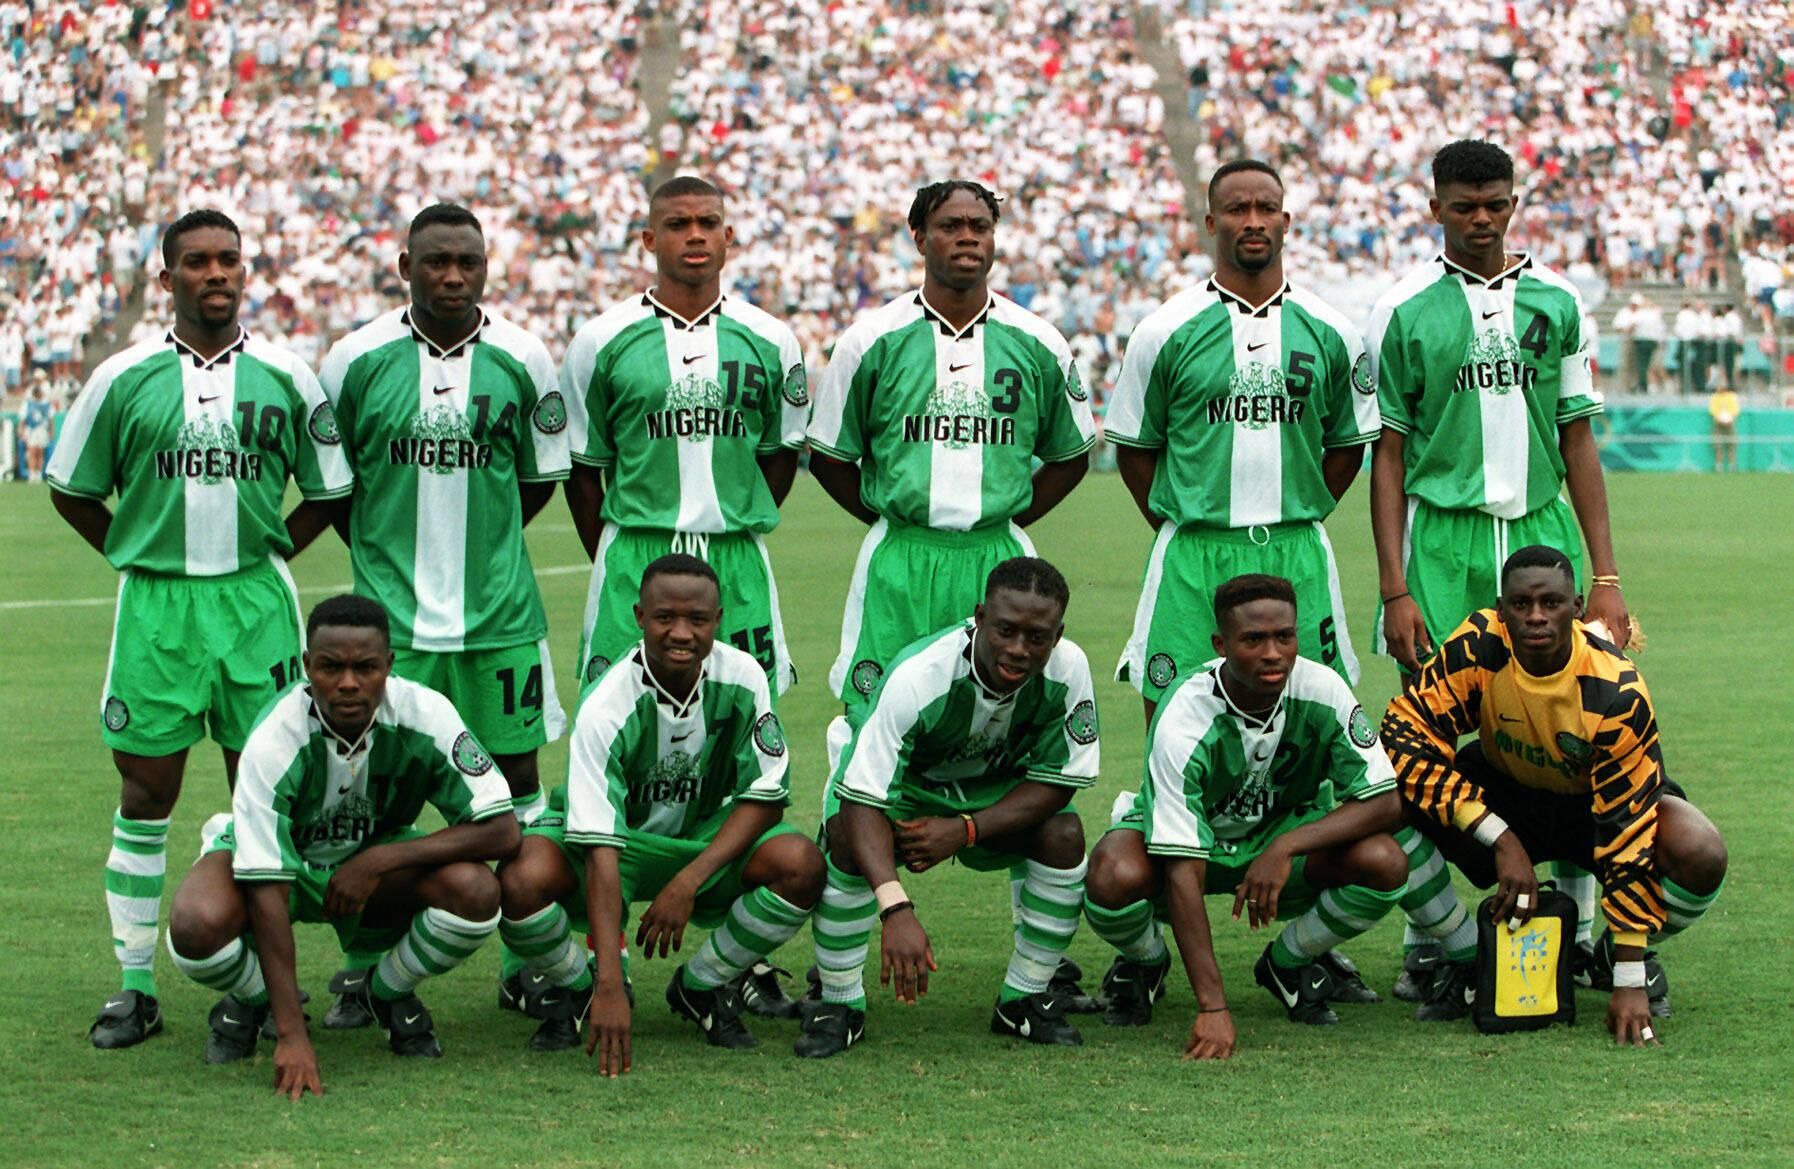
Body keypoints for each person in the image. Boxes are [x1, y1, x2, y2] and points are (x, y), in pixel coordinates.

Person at [47, 209, 352, 1049]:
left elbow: (331, 488)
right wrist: (132, 551)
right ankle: (135, 984)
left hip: (256, 605)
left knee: (263, 788)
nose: (215, 274)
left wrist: (273, 549)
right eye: (197, 262)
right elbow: (71, 486)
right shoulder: (124, 375)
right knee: (147, 791)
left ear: (245, 271)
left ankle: (251, 988)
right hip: (158, 608)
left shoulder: (287, 374)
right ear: (168, 277)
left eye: (228, 260)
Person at [1367, 140, 1631, 988]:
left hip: (1542, 532)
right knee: (1430, 743)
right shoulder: (1402, 309)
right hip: (1442, 539)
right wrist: (1395, 587)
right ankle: (1434, 945)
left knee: (1575, 730)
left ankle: (1583, 937)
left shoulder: (1557, 300)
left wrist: (1609, 577)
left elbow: (1578, 437)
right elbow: (1389, 455)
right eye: (1464, 205)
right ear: (1435, 206)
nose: (1481, 219)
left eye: (1496, 204)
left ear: (1514, 202)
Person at [318, 202, 571, 1025]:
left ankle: (523, 960)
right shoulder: (353, 360)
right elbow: (336, 486)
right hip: (390, 628)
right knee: (373, 795)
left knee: (517, 783)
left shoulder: (524, 357)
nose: (452, 276)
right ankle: (362, 969)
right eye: (435, 262)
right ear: (404, 266)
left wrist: (486, 551)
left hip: (498, 619)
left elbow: (535, 481)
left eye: (468, 261)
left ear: (487, 265)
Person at [163, 595, 520, 1096]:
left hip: (374, 864)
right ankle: (258, 999)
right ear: (307, 666)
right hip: (274, 860)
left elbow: (501, 829)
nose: (349, 683)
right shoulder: (273, 738)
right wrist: (291, 1035)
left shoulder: (426, 713)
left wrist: (379, 860)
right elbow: (267, 891)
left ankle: (381, 991)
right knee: (194, 925)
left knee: (477, 892)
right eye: (330, 667)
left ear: (388, 666)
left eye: (365, 667)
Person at [1382, 546, 1728, 1041]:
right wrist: (1498, 837)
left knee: (1699, 849)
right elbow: (1404, 730)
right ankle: (1469, 955)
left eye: (1552, 603)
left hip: (1594, 807)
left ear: (1579, 607)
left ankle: (1609, 959)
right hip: (1503, 794)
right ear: (1501, 611)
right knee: (1384, 799)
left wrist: (1629, 977)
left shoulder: (1616, 691)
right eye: (1521, 605)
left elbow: (1625, 831)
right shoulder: (1480, 645)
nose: (1537, 616)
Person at [494, 555, 824, 1070]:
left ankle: (702, 986)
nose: (681, 632)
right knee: (520, 878)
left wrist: (687, 880)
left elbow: (767, 794)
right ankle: (580, 991)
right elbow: (602, 846)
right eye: (665, 617)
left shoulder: (743, 676)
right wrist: (608, 985)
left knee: (800, 862)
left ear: (718, 620)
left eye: (697, 619)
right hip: (616, 846)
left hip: (699, 842)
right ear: (639, 617)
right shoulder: (606, 704)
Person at [1082, 575, 1405, 1055]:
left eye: (1284, 637)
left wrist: (1285, 846)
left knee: (1385, 861)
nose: (1273, 653)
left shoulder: (1323, 689)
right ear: (1221, 644)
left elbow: (1385, 801)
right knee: (1111, 873)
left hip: (1280, 837)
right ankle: (1146, 961)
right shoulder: (1185, 717)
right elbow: (1182, 870)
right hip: (1191, 848)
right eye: (1253, 639)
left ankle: (1288, 961)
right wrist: (1213, 1008)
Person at [1106, 159, 1378, 725]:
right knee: (1174, 717)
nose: (1253, 221)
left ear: (1286, 220)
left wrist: (1303, 505)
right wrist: (1177, 520)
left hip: (1295, 547)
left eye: (1265, 209)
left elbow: (1349, 445)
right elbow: (1135, 449)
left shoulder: (1331, 330)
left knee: (1312, 719)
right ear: (1211, 223)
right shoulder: (1164, 330)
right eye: (1237, 209)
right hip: (1195, 551)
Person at [807, 180, 1096, 711]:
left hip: (998, 556)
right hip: (901, 556)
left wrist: (1008, 515)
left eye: (979, 227)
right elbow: (828, 456)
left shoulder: (1038, 341)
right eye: (950, 226)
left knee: (1002, 715)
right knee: (879, 710)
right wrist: (886, 514)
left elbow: (1072, 455)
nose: (967, 238)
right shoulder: (870, 340)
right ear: (919, 238)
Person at [799, 557, 1098, 1059]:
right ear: (979, 616)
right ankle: (839, 1004)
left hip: (988, 791)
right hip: (906, 790)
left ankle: (1022, 998)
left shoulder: (1070, 670)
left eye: (1037, 637)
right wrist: (895, 907)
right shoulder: (920, 676)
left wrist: (966, 830)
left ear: (1058, 634)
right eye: (1005, 630)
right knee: (849, 838)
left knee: (1063, 833)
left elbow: (1060, 781)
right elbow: (864, 797)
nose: (1018, 649)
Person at [561, 176, 806, 699]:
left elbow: (779, 457)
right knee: (616, 716)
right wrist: (613, 553)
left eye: (708, 224)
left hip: (735, 553)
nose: (695, 236)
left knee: (744, 720)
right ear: (649, 240)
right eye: (677, 225)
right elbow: (583, 472)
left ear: (728, 236)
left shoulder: (772, 339)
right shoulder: (600, 340)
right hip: (635, 552)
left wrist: (732, 514)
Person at [21, 379, 52, 480]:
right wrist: (22, 430)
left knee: (40, 452)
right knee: (32, 451)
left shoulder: (46, 404)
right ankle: (32, 473)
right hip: (32, 430)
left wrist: (51, 431)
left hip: (42, 429)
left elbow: (50, 420)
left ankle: (38, 473)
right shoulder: (28, 404)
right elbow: (24, 419)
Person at [1708, 383, 1741, 472]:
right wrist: (1719, 418)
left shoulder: (1732, 396)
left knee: (1732, 444)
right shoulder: (1715, 397)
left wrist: (1730, 419)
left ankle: (1732, 466)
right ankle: (1719, 466)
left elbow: (1735, 410)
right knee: (1718, 445)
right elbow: (1713, 411)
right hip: (1718, 424)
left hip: (1730, 423)